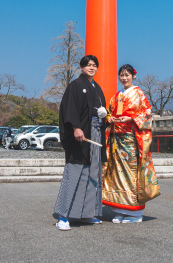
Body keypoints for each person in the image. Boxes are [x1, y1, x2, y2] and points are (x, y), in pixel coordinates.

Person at [53, 55, 107, 231]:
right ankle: (63, 216)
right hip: (80, 134)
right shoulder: (75, 85)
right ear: (81, 68)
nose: (91, 68)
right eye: (88, 65)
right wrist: (76, 127)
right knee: (75, 172)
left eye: (94, 65)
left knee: (92, 174)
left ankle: (86, 214)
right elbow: (69, 109)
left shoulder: (97, 88)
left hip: (95, 134)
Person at [103, 64, 160, 223]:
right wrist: (109, 119)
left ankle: (135, 213)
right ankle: (121, 210)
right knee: (117, 175)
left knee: (131, 174)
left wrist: (132, 118)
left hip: (131, 140)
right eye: (121, 75)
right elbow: (109, 112)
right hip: (116, 140)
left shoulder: (139, 93)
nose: (124, 78)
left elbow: (147, 113)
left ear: (133, 76)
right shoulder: (116, 96)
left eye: (127, 75)